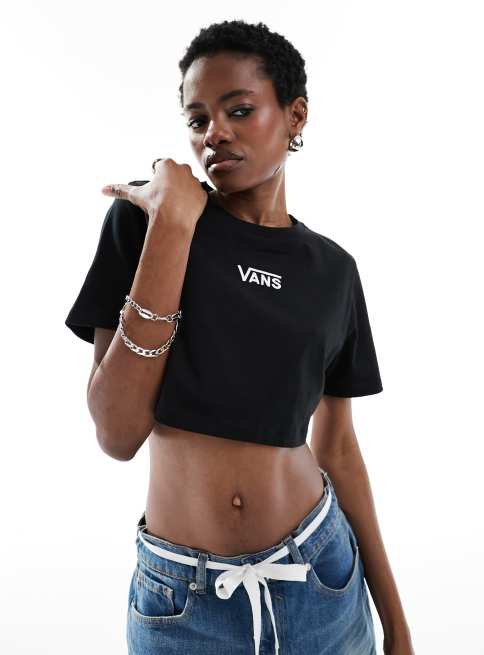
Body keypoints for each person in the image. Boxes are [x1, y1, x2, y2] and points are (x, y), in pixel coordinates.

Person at [65, 19, 414, 655]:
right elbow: (117, 433)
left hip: (321, 581)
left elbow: (338, 448)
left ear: (295, 115)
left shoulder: (332, 271)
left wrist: (396, 622)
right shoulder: (145, 220)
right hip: (182, 605)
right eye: (197, 119)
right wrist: (173, 224)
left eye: (240, 110)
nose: (214, 133)